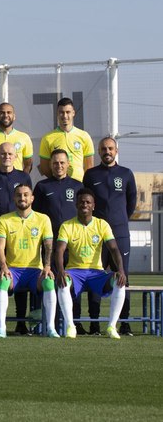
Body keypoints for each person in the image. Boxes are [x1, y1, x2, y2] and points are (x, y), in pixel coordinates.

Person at [55, 188, 128, 339]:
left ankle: (111, 326)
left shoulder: (102, 225)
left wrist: (121, 270)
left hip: (97, 273)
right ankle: (71, 326)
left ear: (93, 205)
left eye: (88, 202)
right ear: (76, 204)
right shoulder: (67, 226)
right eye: (81, 202)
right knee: (63, 282)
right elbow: (60, 251)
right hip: (75, 273)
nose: (84, 205)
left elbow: (114, 249)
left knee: (119, 281)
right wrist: (61, 271)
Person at [83, 137, 136, 335]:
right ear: (98, 151)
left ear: (116, 150)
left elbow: (130, 204)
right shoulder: (91, 175)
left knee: (123, 277)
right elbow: (86, 202)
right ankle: (94, 323)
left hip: (120, 235)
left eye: (111, 148)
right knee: (95, 275)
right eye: (104, 148)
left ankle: (125, 322)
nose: (107, 151)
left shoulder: (126, 174)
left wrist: (118, 222)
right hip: (96, 236)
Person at [0, 142, 33, 335]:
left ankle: (20, 322)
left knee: (18, 274)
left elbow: (28, 203)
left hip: (20, 235)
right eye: (3, 153)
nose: (6, 156)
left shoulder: (24, 177)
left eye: (10, 153)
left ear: (16, 155)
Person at [0, 185, 58, 338]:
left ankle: (51, 328)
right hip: (13, 270)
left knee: (48, 282)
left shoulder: (43, 219)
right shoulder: (4, 219)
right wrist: (3, 267)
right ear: (14, 198)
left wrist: (47, 266)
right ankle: (1, 328)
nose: (22, 198)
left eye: (26, 195)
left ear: (32, 198)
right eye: (19, 195)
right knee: (2, 281)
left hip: (35, 270)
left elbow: (48, 245)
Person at [33, 149, 86, 333]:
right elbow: (36, 216)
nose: (59, 166)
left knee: (72, 282)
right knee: (50, 282)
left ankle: (75, 323)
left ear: (68, 164)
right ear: (50, 165)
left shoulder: (78, 186)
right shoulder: (42, 187)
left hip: (73, 243)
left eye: (62, 163)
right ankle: (51, 324)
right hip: (50, 243)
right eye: (55, 163)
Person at [38, 97, 94, 182]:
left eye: (68, 112)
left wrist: (83, 183)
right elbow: (44, 168)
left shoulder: (84, 136)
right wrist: (57, 180)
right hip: (57, 185)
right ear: (57, 114)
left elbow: (89, 166)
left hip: (78, 185)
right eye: (61, 112)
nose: (65, 116)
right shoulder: (47, 138)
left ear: (73, 113)